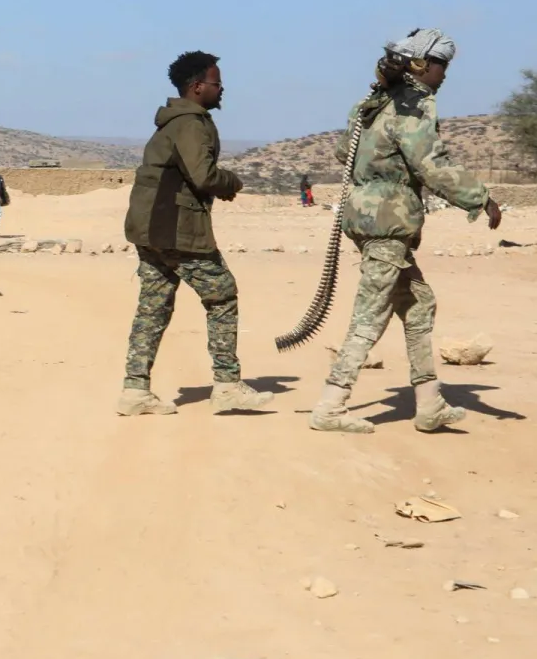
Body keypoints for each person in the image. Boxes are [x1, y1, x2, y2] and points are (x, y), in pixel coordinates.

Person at [310, 28, 500, 434]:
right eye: (442, 66)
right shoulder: (412, 106)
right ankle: (330, 404)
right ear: (423, 65)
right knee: (370, 313)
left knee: (419, 305)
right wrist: (480, 198)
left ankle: (429, 403)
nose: (445, 75)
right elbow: (430, 163)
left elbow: (347, 151)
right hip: (388, 222)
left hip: (366, 217)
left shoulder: (374, 102)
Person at [117, 51, 275, 416]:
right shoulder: (191, 123)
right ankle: (227, 385)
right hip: (176, 229)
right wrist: (230, 181)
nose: (223, 90)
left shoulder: (171, 121)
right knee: (222, 295)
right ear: (198, 86)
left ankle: (135, 390)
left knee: (153, 307)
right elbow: (202, 175)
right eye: (218, 83)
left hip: (150, 229)